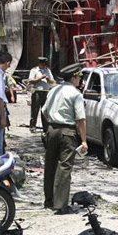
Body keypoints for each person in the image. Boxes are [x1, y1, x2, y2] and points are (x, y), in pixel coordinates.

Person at [41, 71, 88, 215]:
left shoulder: (54, 90)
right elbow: (81, 119)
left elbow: (44, 111)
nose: (80, 80)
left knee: (50, 165)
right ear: (73, 77)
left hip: (52, 129)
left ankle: (49, 200)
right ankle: (60, 205)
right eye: (79, 77)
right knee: (64, 167)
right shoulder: (76, 94)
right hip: (67, 132)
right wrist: (84, 140)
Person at [27, 57, 55, 132]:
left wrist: (48, 79)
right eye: (43, 64)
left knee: (45, 109)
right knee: (35, 110)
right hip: (37, 91)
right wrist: (40, 78)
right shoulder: (34, 70)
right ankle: (32, 126)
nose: (44, 65)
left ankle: (45, 127)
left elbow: (52, 82)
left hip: (46, 91)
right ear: (40, 63)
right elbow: (31, 81)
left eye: (45, 64)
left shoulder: (48, 70)